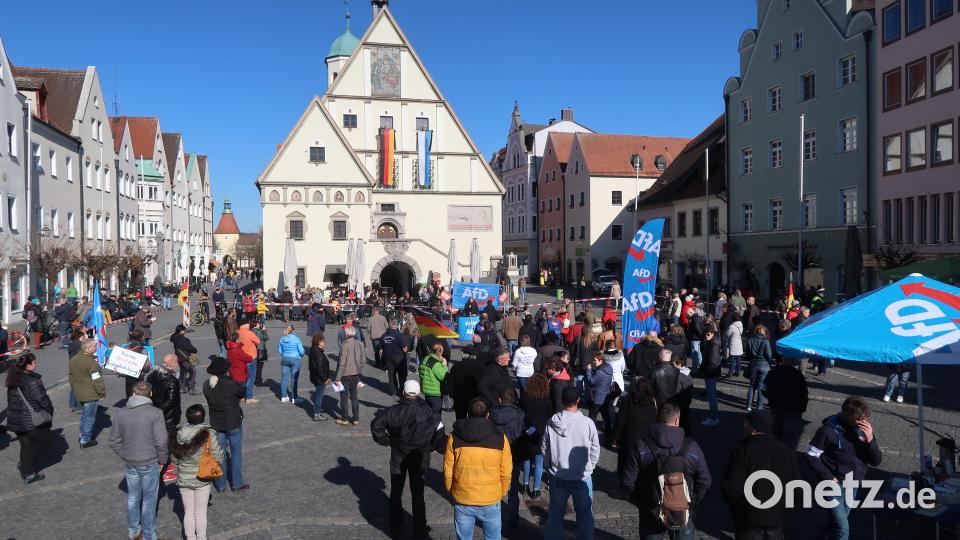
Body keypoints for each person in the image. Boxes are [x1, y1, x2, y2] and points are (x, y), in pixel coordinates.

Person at [621, 402, 712, 540]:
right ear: (677, 420)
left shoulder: (641, 446)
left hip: (651, 509)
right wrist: (691, 501)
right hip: (682, 510)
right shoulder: (691, 447)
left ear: (658, 419)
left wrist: (642, 503)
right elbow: (705, 481)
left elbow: (628, 481)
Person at [371, 379, 444, 538]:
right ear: (418, 394)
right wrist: (431, 446)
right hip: (420, 456)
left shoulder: (392, 411)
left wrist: (387, 441)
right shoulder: (429, 412)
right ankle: (419, 528)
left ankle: (395, 526)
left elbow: (376, 425)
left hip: (398, 454)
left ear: (404, 392)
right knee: (418, 493)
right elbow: (440, 430)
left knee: (396, 491)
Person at [806, 396, 882, 540]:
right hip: (832, 485)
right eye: (859, 419)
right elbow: (810, 456)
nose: (863, 422)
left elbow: (876, 461)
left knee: (835, 525)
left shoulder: (863, 430)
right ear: (847, 415)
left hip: (852, 484)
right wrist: (829, 478)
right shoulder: (827, 431)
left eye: (864, 418)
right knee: (842, 528)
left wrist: (870, 439)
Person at [722, 410, 800, 540]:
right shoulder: (786, 452)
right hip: (775, 522)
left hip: (749, 522)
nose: (743, 426)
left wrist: (741, 511)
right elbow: (797, 489)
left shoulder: (742, 452)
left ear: (754, 429)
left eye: (746, 423)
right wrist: (781, 510)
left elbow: (732, 489)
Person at [443, 397, 512, 540]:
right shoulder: (500, 438)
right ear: (488, 415)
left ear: (468, 414)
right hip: (490, 498)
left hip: (463, 498)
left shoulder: (454, 437)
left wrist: (452, 489)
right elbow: (506, 471)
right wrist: (501, 492)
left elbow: (448, 468)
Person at [109, 381, 169, 540]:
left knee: (132, 497)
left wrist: (125, 454)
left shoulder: (120, 413)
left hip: (130, 462)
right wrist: (162, 460)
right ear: (150, 394)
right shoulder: (155, 413)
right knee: (149, 500)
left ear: (133, 394)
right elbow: (162, 441)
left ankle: (133, 531)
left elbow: (113, 440)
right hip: (150, 462)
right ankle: (149, 535)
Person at [542, 386, 601, 540]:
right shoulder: (587, 423)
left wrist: (548, 465)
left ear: (562, 401)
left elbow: (545, 447)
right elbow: (595, 448)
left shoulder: (551, 422)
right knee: (585, 515)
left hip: (558, 474)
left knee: (555, 514)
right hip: (581, 476)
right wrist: (591, 466)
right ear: (578, 401)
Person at [170, 404, 225, 540]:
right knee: (201, 512)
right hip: (202, 477)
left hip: (184, 478)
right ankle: (202, 538)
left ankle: (190, 538)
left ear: (187, 417)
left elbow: (175, 460)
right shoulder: (209, 433)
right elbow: (219, 456)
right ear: (203, 417)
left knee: (188, 512)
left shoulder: (178, 434)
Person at [6, 353, 54, 484]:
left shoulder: (13, 377)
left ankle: (27, 471)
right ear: (28, 365)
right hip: (30, 420)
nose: (35, 364)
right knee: (46, 440)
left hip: (16, 418)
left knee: (26, 445)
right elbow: (42, 400)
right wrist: (50, 412)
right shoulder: (33, 381)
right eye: (34, 362)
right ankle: (27, 467)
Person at [203, 356, 248, 493]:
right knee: (235, 453)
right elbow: (242, 393)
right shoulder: (230, 383)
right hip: (233, 422)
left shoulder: (206, 384)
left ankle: (221, 485)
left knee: (219, 454)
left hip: (216, 422)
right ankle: (237, 483)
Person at [491, 387, 526, 531]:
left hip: (495, 455)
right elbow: (528, 430)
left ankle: (494, 518)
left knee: (495, 486)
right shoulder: (520, 414)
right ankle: (513, 518)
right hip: (514, 455)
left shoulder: (492, 413)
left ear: (500, 398)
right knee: (513, 489)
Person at [612, 378, 658, 481]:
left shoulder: (628, 402)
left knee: (626, 465)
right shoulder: (653, 403)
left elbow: (620, 421)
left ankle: (625, 488)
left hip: (629, 440)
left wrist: (616, 437)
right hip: (647, 442)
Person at [519, 373, 552, 500]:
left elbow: (520, 411)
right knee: (539, 461)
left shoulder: (525, 397)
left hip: (528, 431)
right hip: (541, 432)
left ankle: (525, 485)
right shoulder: (546, 398)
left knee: (526, 459)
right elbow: (550, 415)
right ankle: (536, 489)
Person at [764, 357, 809, 450]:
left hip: (776, 406)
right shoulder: (798, 375)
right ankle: (785, 454)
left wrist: (770, 399)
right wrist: (802, 409)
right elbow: (804, 394)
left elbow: (764, 388)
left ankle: (773, 450)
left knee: (774, 430)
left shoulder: (774, 372)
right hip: (793, 408)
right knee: (789, 436)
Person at [69, 338, 106, 448]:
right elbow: (97, 380)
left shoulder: (74, 359)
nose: (96, 347)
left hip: (79, 392)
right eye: (94, 346)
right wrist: (102, 392)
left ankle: (82, 435)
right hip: (90, 393)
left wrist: (75, 387)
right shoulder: (90, 363)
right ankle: (85, 439)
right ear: (89, 348)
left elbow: (71, 376)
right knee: (89, 417)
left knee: (84, 416)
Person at [335, 325, 365, 426]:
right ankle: (356, 419)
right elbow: (363, 361)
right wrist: (358, 369)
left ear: (346, 334)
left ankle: (345, 418)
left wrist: (337, 378)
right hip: (356, 374)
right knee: (354, 397)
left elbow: (341, 363)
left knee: (344, 397)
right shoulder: (360, 343)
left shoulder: (344, 345)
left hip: (345, 375)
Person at [450, 344, 488, 419]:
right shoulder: (482, 368)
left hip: (459, 398)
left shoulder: (456, 366)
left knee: (460, 418)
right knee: (474, 419)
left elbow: (451, 384)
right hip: (475, 399)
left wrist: (452, 395)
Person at [148, 354, 183, 432]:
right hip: (169, 416)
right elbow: (171, 400)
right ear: (173, 364)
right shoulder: (172, 381)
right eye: (176, 362)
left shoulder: (152, 375)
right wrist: (160, 412)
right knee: (168, 438)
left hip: (154, 410)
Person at [745, 325, 773, 411]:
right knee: (761, 387)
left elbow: (747, 354)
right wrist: (769, 362)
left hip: (753, 364)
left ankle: (748, 405)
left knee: (752, 386)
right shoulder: (766, 341)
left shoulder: (750, 340)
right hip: (764, 365)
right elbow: (769, 355)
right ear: (764, 332)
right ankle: (759, 406)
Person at [699, 326, 723, 426]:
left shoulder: (713, 345)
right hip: (712, 372)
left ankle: (714, 418)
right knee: (711, 395)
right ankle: (714, 417)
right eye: (705, 334)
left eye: (708, 334)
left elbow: (713, 361)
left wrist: (705, 371)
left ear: (713, 334)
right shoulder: (713, 343)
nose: (706, 336)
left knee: (711, 396)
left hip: (711, 373)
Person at [276, 324, 305, 404]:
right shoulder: (296, 339)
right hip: (295, 359)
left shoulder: (282, 339)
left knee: (284, 379)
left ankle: (284, 396)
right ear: (293, 330)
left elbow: (280, 351)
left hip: (285, 359)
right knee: (294, 379)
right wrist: (300, 356)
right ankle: (294, 398)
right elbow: (302, 351)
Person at [381, 319, 410, 396]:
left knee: (391, 375)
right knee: (402, 375)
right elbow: (405, 348)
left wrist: (383, 358)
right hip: (399, 357)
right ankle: (402, 391)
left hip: (388, 357)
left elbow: (380, 349)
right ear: (396, 326)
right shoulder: (399, 335)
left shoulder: (384, 335)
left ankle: (394, 391)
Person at [418, 342, 449, 413]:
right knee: (436, 415)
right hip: (435, 393)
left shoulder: (425, 359)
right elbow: (443, 376)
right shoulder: (436, 364)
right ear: (439, 353)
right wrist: (444, 365)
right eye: (442, 352)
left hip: (426, 390)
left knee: (428, 412)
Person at [170, 324, 199, 395]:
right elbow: (191, 348)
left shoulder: (174, 338)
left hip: (179, 357)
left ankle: (181, 387)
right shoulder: (184, 340)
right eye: (184, 330)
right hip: (184, 358)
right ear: (182, 331)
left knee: (183, 372)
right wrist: (195, 350)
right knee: (192, 371)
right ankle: (191, 388)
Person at [307, 334, 331, 421]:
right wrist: (325, 379)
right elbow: (320, 368)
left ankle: (317, 413)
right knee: (319, 396)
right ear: (319, 342)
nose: (324, 343)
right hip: (319, 379)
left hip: (315, 377)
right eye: (323, 341)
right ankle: (316, 414)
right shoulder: (318, 353)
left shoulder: (313, 349)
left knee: (318, 395)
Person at [725, 312, 745, 377]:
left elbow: (727, 334)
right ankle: (737, 372)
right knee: (739, 360)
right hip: (739, 343)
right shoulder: (741, 324)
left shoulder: (732, 326)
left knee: (732, 360)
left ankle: (730, 372)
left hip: (733, 343)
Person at [685, 307, 705, 372]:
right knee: (698, 354)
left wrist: (700, 336)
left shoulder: (694, 319)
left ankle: (695, 369)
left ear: (691, 312)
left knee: (695, 354)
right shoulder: (697, 317)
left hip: (695, 338)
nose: (688, 316)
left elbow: (698, 329)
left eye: (688, 315)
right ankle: (701, 366)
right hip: (698, 338)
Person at [252, 320, 269, 386]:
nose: (260, 325)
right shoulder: (259, 332)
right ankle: (258, 381)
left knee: (254, 366)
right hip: (260, 350)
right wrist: (264, 330)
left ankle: (256, 380)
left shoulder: (251, 330)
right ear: (256, 324)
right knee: (259, 368)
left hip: (254, 350)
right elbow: (266, 337)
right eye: (259, 324)